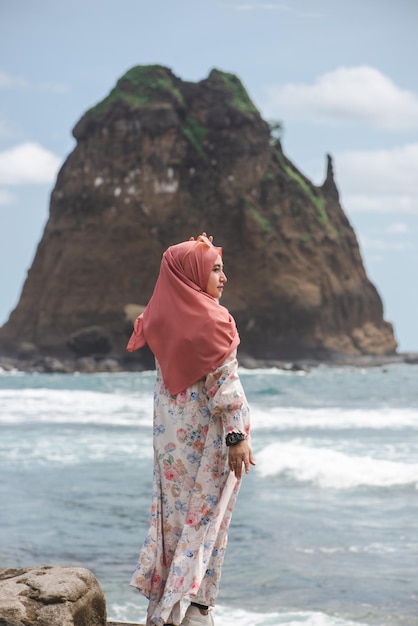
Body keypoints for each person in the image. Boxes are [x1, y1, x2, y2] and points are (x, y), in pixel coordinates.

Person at [127, 233, 255, 626]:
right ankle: (197, 610)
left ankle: (170, 608)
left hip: (171, 445)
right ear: (193, 273)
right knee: (208, 521)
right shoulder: (213, 320)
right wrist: (236, 436)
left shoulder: (161, 318)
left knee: (174, 521)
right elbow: (225, 384)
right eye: (215, 268)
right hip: (211, 440)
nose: (224, 277)